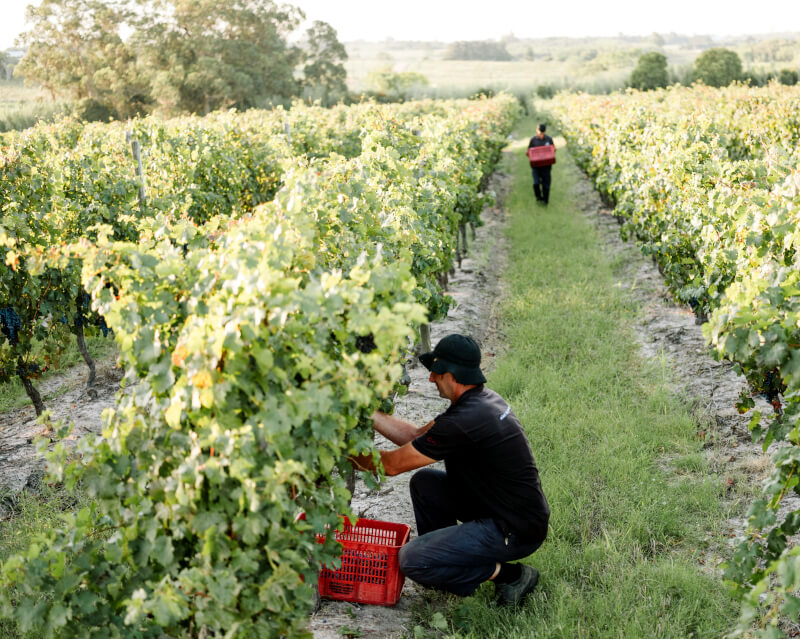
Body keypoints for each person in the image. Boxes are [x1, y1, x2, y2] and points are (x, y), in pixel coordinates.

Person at [351, 333, 550, 606]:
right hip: (505, 511)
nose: (431, 379)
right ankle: (449, 563)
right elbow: (415, 436)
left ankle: (511, 575)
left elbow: (392, 465)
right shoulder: (480, 401)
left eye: (436, 372)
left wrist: (346, 452)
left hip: (514, 530)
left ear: (453, 375)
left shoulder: (463, 421)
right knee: (425, 483)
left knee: (411, 560)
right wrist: (368, 413)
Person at [528, 124, 555, 204]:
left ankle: (545, 201)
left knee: (546, 184)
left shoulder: (549, 139)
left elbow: (553, 149)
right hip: (536, 166)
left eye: (543, 133)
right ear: (537, 131)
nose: (541, 135)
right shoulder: (533, 140)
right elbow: (528, 151)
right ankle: (538, 198)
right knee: (536, 183)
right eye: (540, 133)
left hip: (546, 166)